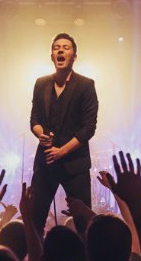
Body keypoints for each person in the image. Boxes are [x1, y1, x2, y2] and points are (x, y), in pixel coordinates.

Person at [29, 33, 98, 233]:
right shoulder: (41, 83)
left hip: (74, 165)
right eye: (57, 47)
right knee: (35, 220)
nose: (60, 50)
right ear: (52, 56)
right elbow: (34, 119)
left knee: (84, 223)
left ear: (74, 56)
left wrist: (62, 151)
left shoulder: (86, 85)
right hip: (46, 163)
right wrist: (40, 133)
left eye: (66, 47)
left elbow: (89, 128)